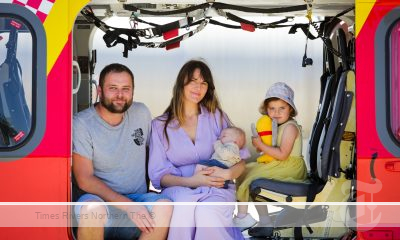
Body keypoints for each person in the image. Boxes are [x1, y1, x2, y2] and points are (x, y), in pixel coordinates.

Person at [148, 59, 250, 240]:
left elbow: (240, 161)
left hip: (217, 187)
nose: (198, 87)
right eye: (193, 81)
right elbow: (159, 177)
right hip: (179, 188)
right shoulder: (159, 126)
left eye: (204, 83)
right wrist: (192, 181)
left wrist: (227, 175)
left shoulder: (217, 117)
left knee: (208, 215)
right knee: (183, 209)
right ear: (182, 83)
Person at [72, 63, 173, 240]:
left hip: (138, 199)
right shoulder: (82, 123)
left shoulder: (141, 112)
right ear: (100, 91)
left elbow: (154, 154)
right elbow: (84, 179)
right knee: (92, 212)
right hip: (100, 201)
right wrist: (128, 206)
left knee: (164, 206)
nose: (120, 95)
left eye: (126, 88)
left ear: (133, 91)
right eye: (113, 88)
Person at [234, 82, 307, 237]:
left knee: (253, 177)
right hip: (279, 163)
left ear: (291, 110)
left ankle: (243, 217)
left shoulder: (290, 127)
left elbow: (282, 154)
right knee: (244, 170)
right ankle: (264, 221)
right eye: (272, 108)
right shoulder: (276, 126)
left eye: (282, 108)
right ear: (266, 110)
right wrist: (262, 147)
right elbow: (272, 150)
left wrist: (260, 144)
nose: (276, 113)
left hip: (290, 166)